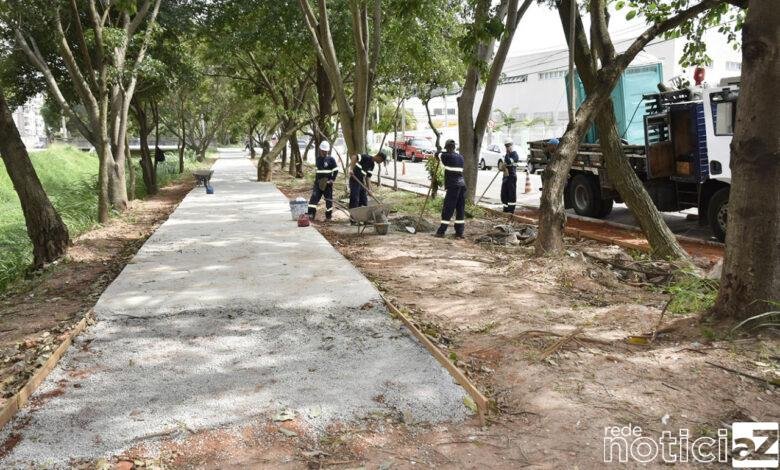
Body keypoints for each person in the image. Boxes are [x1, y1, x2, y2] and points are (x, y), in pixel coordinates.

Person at [435, 139, 466, 239]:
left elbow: (437, 155)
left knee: (448, 208)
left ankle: (441, 231)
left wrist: (439, 150)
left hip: (453, 186)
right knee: (460, 209)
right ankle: (459, 232)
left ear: (447, 148)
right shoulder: (461, 157)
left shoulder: (446, 156)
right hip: (462, 186)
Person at [308, 141, 339, 221]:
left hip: (328, 184)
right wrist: (318, 182)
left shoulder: (331, 159)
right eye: (323, 151)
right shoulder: (318, 159)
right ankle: (311, 214)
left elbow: (335, 170)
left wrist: (332, 180)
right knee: (314, 199)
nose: (325, 152)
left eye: (326, 151)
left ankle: (328, 217)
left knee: (328, 200)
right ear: (320, 150)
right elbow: (319, 171)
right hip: (318, 183)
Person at [500, 139, 520, 213]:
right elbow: (505, 163)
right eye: (506, 146)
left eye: (508, 145)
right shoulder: (506, 155)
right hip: (505, 177)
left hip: (511, 176)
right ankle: (505, 209)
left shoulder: (515, 154)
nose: (507, 147)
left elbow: (509, 161)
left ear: (512, 145)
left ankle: (511, 210)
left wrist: (507, 154)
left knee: (511, 194)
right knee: (504, 193)